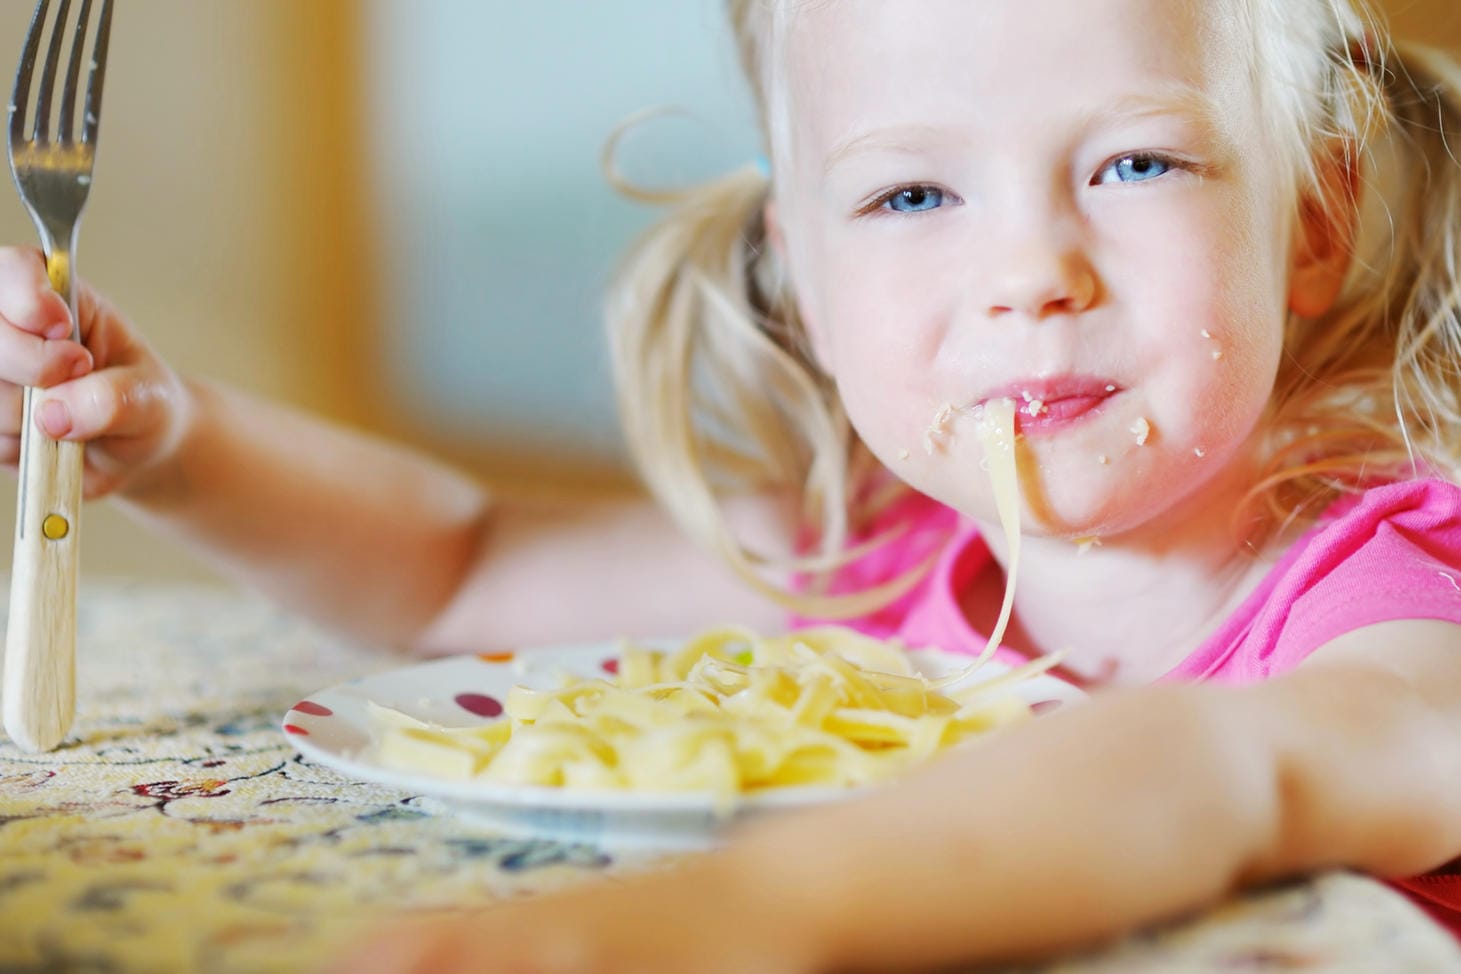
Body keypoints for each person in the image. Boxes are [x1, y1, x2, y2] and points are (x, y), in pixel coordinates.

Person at [2, 0, 1461, 969]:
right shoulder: (880, 560)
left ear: (1312, 223)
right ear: (802, 274)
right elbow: (459, 568)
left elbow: (1220, 768)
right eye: (910, 194)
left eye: (1137, 163)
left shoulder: (1396, 602)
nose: (1029, 273)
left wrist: (719, 917)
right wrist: (179, 444)